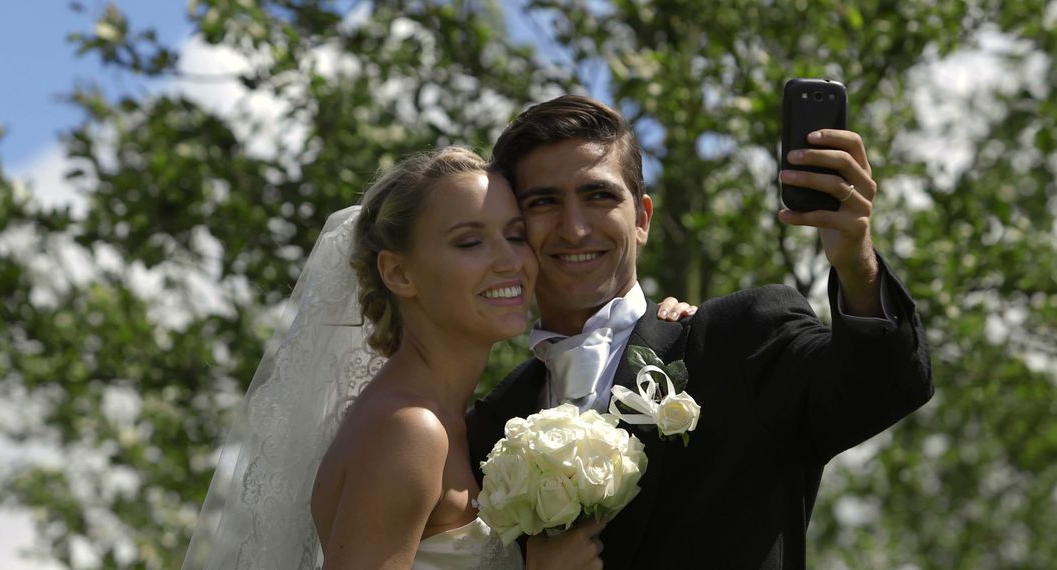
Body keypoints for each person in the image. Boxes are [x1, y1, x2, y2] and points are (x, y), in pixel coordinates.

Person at [466, 95, 934, 569]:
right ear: (517, 230)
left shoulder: (738, 340)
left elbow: (881, 387)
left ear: (643, 219)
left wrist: (856, 261)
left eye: (599, 196)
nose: (575, 227)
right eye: (544, 202)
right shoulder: (491, 423)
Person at [183, 146, 690, 569]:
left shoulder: (464, 424)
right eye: (470, 241)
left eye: (515, 235)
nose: (510, 259)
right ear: (400, 274)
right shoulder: (409, 432)